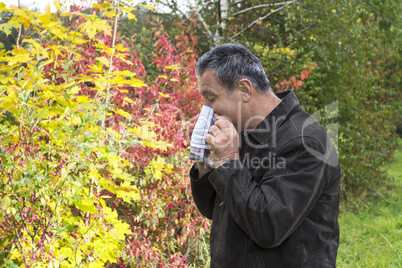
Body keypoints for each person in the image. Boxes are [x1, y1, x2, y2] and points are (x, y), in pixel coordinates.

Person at [188, 43, 341, 267]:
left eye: (211, 98)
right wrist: (206, 162)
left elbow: (268, 225)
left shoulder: (306, 142)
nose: (207, 110)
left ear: (244, 90)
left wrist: (228, 161)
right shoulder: (242, 132)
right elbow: (215, 209)